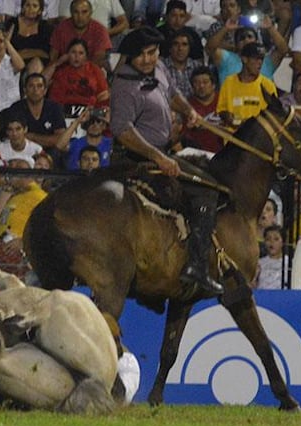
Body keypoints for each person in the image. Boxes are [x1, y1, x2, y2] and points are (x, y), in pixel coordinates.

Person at [111, 26, 224, 297]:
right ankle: (197, 267)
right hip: (139, 159)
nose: (149, 59)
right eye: (142, 56)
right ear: (129, 57)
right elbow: (122, 129)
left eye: (153, 53)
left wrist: (188, 110)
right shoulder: (124, 86)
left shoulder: (159, 67)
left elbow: (172, 92)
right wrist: (158, 157)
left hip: (164, 151)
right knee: (205, 190)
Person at [0, 72, 67, 154]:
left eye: (39, 86)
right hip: (21, 151)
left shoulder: (55, 108)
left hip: (49, 154)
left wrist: (32, 137)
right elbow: (13, 137)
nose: (35, 90)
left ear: (45, 90)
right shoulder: (16, 108)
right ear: (25, 90)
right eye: (31, 86)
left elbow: (61, 140)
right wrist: (47, 140)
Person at [205, 21, 288, 86]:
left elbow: (283, 50)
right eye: (242, 38)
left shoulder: (265, 61)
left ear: (256, 41)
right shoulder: (226, 58)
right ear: (235, 44)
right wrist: (225, 28)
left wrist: (270, 28)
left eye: (250, 36)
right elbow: (209, 48)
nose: (246, 40)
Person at [216, 42, 278, 127]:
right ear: (244, 59)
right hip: (233, 136)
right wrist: (231, 119)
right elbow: (221, 110)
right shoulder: (229, 82)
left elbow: (274, 115)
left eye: (261, 59)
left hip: (258, 137)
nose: (260, 62)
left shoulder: (268, 85)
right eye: (256, 59)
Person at [45, 38, 109, 110]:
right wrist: (57, 63)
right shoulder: (61, 71)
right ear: (68, 54)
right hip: (65, 110)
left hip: (89, 110)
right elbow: (43, 83)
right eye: (73, 52)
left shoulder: (94, 69)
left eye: (81, 53)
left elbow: (103, 94)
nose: (76, 56)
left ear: (86, 56)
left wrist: (95, 109)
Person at [49, 0, 112, 67]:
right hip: (64, 70)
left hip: (90, 71)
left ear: (90, 13)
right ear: (71, 13)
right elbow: (53, 57)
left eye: (84, 12)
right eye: (76, 12)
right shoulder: (61, 28)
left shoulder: (100, 31)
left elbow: (98, 60)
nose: (80, 17)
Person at [7, 0, 55, 74]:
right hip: (13, 61)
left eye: (35, 6)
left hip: (37, 63)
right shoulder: (12, 24)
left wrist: (21, 53)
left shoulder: (46, 27)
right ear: (22, 8)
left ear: (40, 10)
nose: (30, 9)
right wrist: (34, 52)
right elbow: (6, 49)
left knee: (36, 64)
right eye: (27, 5)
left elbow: (45, 54)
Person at [184, 66, 224, 153]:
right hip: (197, 157)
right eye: (196, 83)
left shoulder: (224, 101)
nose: (201, 86)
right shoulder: (186, 106)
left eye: (205, 82)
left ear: (213, 85)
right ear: (192, 86)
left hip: (224, 154)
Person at [163, 30, 203, 99]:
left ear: (189, 48)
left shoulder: (198, 66)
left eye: (184, 44)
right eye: (176, 44)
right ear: (170, 48)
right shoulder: (162, 67)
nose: (180, 48)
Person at [254, 224, 287, 289]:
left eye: (276, 239)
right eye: (268, 239)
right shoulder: (259, 263)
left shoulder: (290, 263)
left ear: (283, 242)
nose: (272, 242)